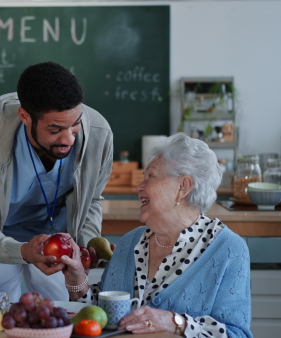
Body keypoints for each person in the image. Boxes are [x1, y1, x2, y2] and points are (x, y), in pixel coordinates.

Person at [61, 133, 252, 338]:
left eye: (150, 176)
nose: (139, 187)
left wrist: (175, 322)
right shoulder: (130, 242)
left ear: (183, 187)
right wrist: (77, 279)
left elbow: (237, 334)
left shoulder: (228, 249)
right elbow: (100, 317)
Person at [0, 61, 114, 302]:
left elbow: (91, 200)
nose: (68, 140)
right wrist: (22, 251)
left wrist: (85, 246)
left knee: (63, 314)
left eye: (74, 127)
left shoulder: (99, 134)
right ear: (25, 117)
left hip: (59, 242)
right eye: (55, 129)